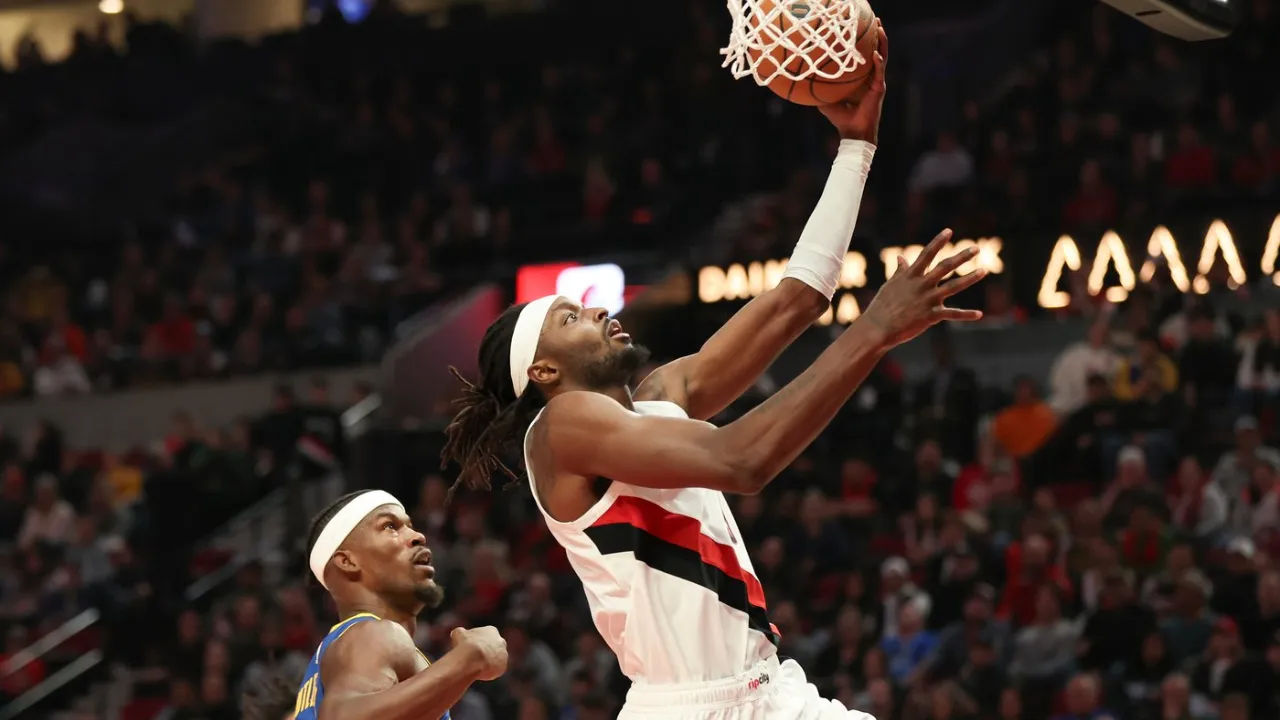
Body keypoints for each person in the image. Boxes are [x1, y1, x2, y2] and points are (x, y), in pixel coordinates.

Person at [443, 26, 987, 719]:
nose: (597, 309)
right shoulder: (560, 429)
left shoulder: (659, 398)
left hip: (769, 690)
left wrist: (856, 147)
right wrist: (874, 332)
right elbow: (743, 460)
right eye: (571, 317)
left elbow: (798, 299)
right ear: (544, 369)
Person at [289, 490, 508, 720]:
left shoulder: (339, 653)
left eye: (410, 525)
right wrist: (470, 657)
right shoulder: (372, 634)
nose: (418, 536)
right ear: (348, 561)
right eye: (390, 526)